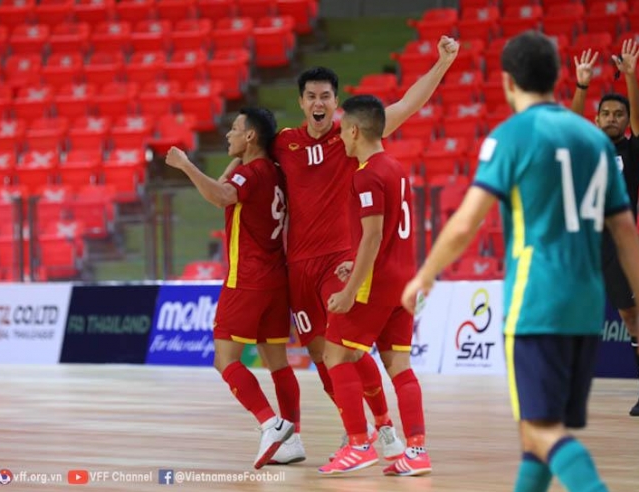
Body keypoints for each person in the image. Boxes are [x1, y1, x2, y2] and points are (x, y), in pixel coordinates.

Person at [402, 31, 639, 492]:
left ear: (507, 81)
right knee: (539, 436)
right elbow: (626, 231)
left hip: (538, 302)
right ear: (556, 78)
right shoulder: (594, 143)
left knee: (541, 431)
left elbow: (467, 223)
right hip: (586, 307)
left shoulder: (513, 135)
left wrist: (424, 275)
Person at [239, 35, 458, 463]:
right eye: (311, 96)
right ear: (302, 103)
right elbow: (246, 153)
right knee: (322, 355)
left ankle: (381, 430)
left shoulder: (352, 136)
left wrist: (441, 65)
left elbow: (408, 105)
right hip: (298, 265)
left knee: (345, 350)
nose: (319, 102)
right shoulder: (285, 143)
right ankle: (359, 429)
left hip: (341, 260)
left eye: (326, 95)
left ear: (335, 101)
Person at [164, 107, 299, 469]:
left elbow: (222, 196)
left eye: (235, 129)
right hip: (276, 279)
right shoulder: (272, 171)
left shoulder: (250, 175)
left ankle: (271, 424)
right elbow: (230, 183)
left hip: (247, 279)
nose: (228, 135)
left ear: (250, 136)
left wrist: (186, 165)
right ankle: (293, 437)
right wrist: (235, 162)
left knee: (224, 359)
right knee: (278, 363)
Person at [316, 95, 430, 476]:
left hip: (376, 284)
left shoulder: (365, 173)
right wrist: (356, 262)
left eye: (343, 129)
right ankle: (416, 452)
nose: (341, 138)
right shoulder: (396, 167)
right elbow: (387, 236)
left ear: (354, 130)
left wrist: (350, 290)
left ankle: (358, 445)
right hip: (403, 280)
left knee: (337, 356)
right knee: (400, 364)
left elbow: (374, 234)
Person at [571, 40, 639, 416]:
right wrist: (582, 86)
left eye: (618, 114)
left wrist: (633, 77)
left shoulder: (633, 153)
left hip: (620, 250)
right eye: (605, 113)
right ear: (596, 119)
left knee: (630, 319)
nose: (612, 118)